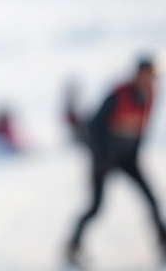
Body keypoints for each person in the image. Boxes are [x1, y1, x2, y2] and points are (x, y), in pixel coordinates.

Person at [66, 57, 165, 265]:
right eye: (146, 75)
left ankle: (163, 245)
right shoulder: (119, 94)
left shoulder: (149, 96)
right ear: (137, 74)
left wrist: (135, 154)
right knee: (95, 207)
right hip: (104, 160)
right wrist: (101, 158)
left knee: (152, 201)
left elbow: (141, 130)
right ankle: (73, 247)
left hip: (128, 159)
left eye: (152, 77)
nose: (149, 80)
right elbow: (94, 126)